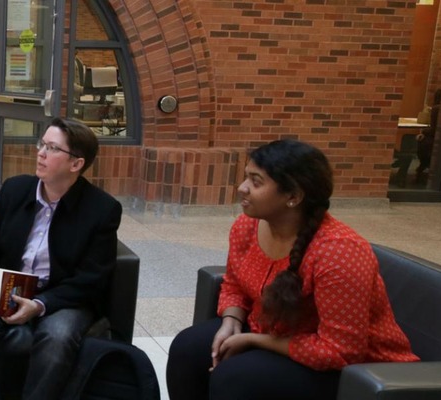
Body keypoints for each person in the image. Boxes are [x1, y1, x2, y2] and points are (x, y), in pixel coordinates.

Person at [165, 139, 419, 400]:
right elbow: (234, 284)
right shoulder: (246, 226)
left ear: (293, 197)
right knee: (188, 349)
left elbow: (341, 352)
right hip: (274, 334)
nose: (242, 188)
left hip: (355, 370)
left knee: (235, 378)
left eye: (256, 182)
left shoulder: (338, 252)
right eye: (246, 177)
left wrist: (254, 340)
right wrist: (232, 320)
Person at [0, 118, 122, 400]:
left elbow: (92, 278)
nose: (40, 153)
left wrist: (41, 304)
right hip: (8, 280)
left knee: (57, 337)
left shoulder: (102, 209)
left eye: (52, 148)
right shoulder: (16, 189)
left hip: (62, 293)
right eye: (41, 144)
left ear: (76, 164)